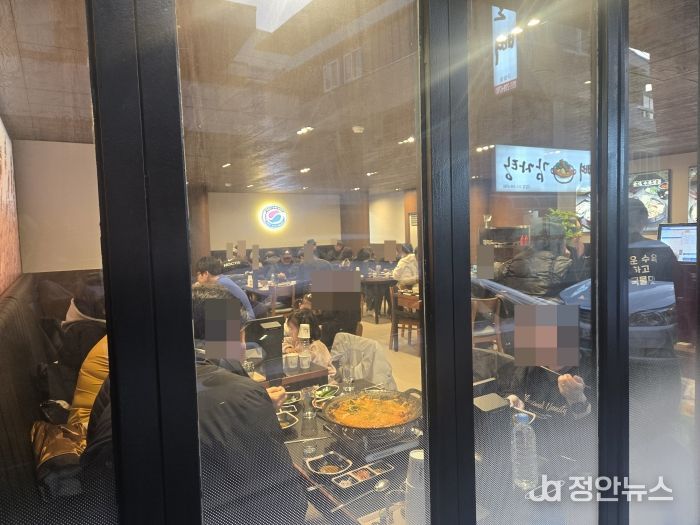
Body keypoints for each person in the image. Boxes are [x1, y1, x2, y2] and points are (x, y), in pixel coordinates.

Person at [83, 284, 306, 524]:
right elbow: (286, 505)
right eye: (242, 335)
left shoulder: (121, 377)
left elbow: (95, 446)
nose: (244, 347)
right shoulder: (244, 396)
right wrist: (253, 405)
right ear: (226, 337)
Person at [495, 218, 585, 298]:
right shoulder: (564, 265)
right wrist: (574, 258)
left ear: (532, 241)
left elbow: (490, 284)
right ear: (559, 242)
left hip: (514, 311)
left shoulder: (511, 263)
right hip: (548, 311)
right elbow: (576, 295)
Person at [628, 197, 679, 284]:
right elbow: (680, 285)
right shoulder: (662, 250)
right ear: (643, 221)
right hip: (655, 293)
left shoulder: (605, 250)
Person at [195, 256, 256, 320]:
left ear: (206, 274)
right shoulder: (220, 278)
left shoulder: (220, 283)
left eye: (198, 274)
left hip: (247, 317)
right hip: (240, 313)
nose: (197, 278)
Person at [283, 309, 336, 378]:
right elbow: (284, 342)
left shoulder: (317, 346)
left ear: (303, 329)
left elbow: (320, 371)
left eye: (292, 329)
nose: (290, 332)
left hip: (324, 379)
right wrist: (288, 348)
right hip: (307, 376)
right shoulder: (297, 341)